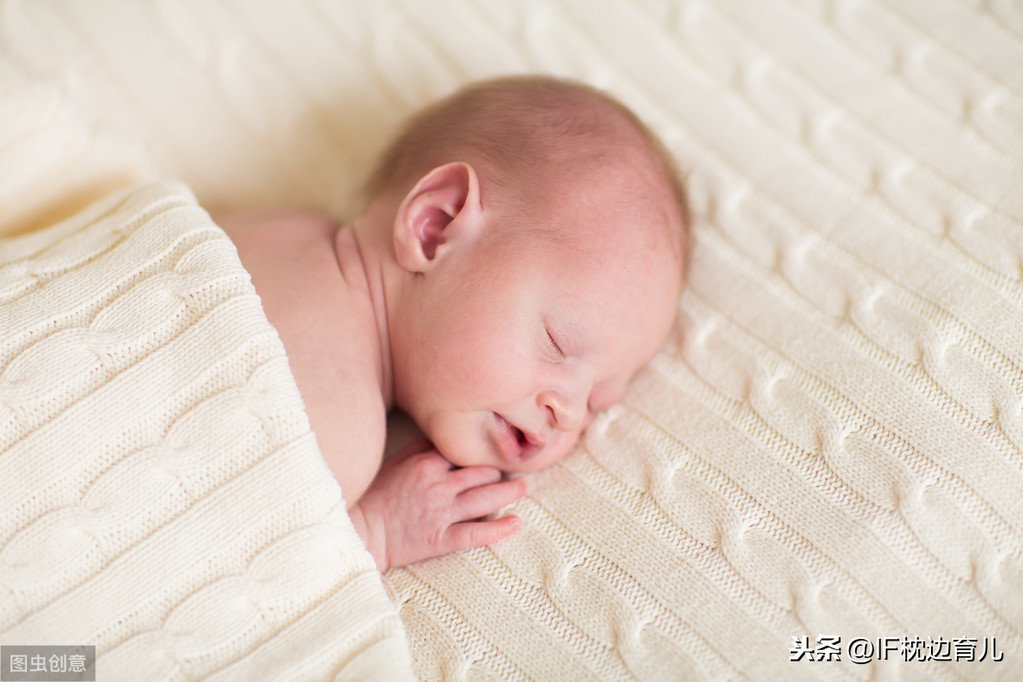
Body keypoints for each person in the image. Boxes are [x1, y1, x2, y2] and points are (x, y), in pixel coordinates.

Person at [217, 75, 689, 571]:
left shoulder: (267, 225)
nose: (569, 413)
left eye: (596, 401)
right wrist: (373, 534)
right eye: (557, 342)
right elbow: (213, 576)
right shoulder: (338, 422)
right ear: (435, 229)